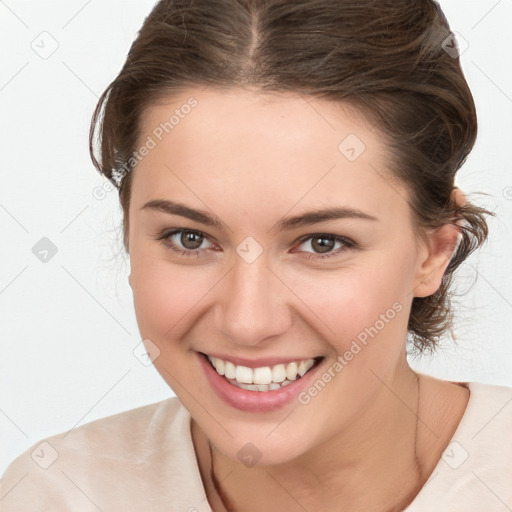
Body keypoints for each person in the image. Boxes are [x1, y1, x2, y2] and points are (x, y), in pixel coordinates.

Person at [1, 0, 511, 510]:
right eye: (190, 238)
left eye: (322, 243)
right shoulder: (56, 494)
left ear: (434, 251)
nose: (248, 323)